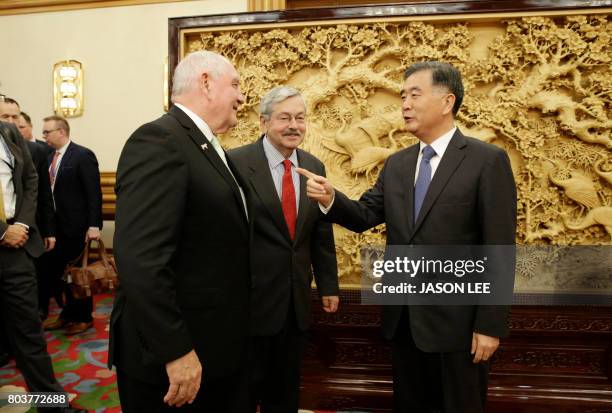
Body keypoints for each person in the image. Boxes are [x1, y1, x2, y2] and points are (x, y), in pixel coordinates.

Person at [299, 61, 517, 413]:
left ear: (447, 102)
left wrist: (490, 326)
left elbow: (500, 248)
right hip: (404, 324)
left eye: (415, 94)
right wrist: (330, 199)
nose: (404, 104)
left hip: (459, 329)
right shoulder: (397, 164)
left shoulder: (486, 161)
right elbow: (365, 215)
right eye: (402, 96)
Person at [109, 50, 251, 412]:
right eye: (234, 84)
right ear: (205, 83)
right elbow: (141, 259)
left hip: (212, 345)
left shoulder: (201, 144)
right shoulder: (160, 141)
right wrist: (176, 351)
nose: (242, 95)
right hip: (173, 360)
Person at [228, 86, 339, 413]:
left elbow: (320, 231)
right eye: (285, 118)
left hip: (295, 303)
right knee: (243, 391)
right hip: (249, 302)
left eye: (300, 118)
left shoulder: (314, 165)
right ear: (263, 123)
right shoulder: (236, 163)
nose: (294, 125)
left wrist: (328, 285)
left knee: (286, 390)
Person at [0, 113, 85, 413]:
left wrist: (21, 225)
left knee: (29, 335)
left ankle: (53, 405)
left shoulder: (9, 135)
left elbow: (31, 180)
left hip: (16, 249)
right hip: (4, 234)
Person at [42, 115, 102, 335]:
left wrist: (94, 225)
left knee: (78, 275)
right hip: (55, 229)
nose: (44, 136)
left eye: (47, 132)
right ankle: (66, 314)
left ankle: (83, 317)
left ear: (61, 132)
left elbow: (93, 193)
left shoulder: (82, 155)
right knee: (60, 275)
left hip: (77, 228)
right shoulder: (49, 157)